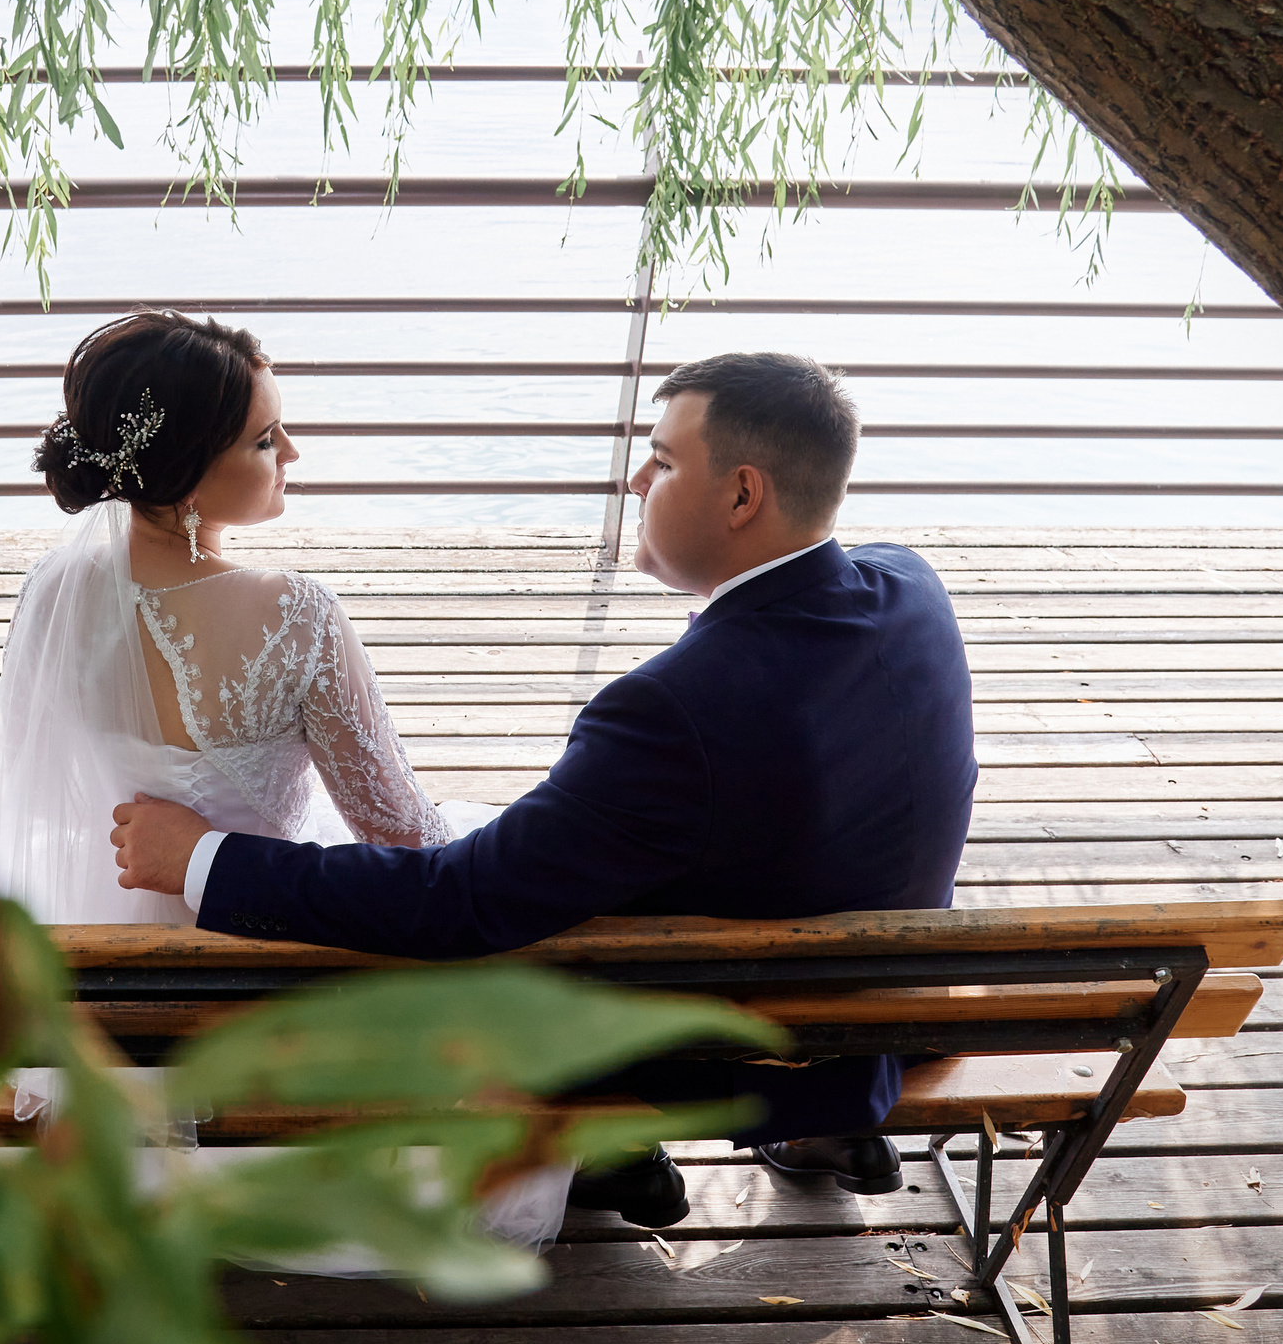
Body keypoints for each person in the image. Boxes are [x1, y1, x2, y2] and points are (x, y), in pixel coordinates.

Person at [0, 310, 567, 1253]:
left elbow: (40, 787)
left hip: (94, 968)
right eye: (265, 438)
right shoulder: (296, 618)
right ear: (182, 468)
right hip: (260, 963)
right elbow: (405, 837)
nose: (293, 449)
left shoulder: (53, 593)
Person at [110, 351, 978, 1228]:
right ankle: (813, 1132)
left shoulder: (670, 711)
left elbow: (460, 903)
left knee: (490, 946)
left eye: (664, 461)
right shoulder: (912, 587)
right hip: (892, 1007)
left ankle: (611, 1145)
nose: (636, 478)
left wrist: (203, 857)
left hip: (758, 1045)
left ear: (743, 495)